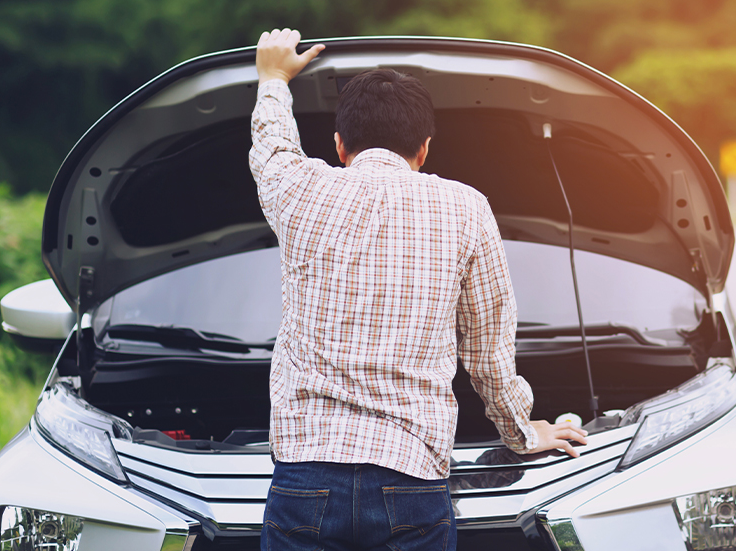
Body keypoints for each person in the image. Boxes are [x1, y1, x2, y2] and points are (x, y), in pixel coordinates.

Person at [249, 29, 587, 551]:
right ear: (424, 149)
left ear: (339, 146)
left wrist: (272, 78)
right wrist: (521, 432)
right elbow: (487, 350)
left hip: (305, 478)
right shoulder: (466, 209)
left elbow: (272, 147)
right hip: (411, 478)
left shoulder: (300, 189)